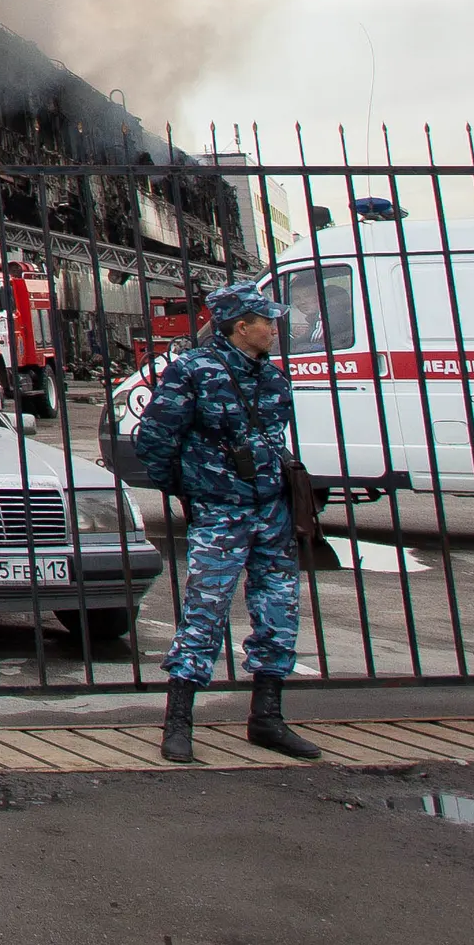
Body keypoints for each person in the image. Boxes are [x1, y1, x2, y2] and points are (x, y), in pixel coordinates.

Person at [130, 281, 322, 763]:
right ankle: (178, 723)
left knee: (279, 611)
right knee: (205, 613)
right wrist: (193, 489)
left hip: (271, 512)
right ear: (241, 326)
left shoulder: (272, 377)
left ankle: (267, 718)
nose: (275, 329)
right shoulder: (192, 371)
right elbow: (154, 440)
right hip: (220, 511)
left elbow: (275, 437)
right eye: (266, 321)